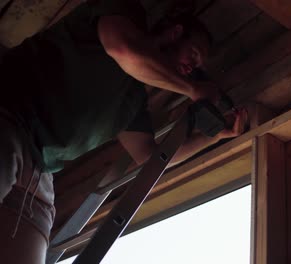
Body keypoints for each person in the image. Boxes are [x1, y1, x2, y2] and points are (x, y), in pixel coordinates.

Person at [0, 0, 248, 263]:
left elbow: (150, 156)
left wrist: (214, 136)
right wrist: (192, 90)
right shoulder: (124, 10)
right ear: (175, 33)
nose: (192, 68)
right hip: (9, 117)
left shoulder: (132, 100)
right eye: (194, 55)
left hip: (40, 170)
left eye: (196, 68)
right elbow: (122, 49)